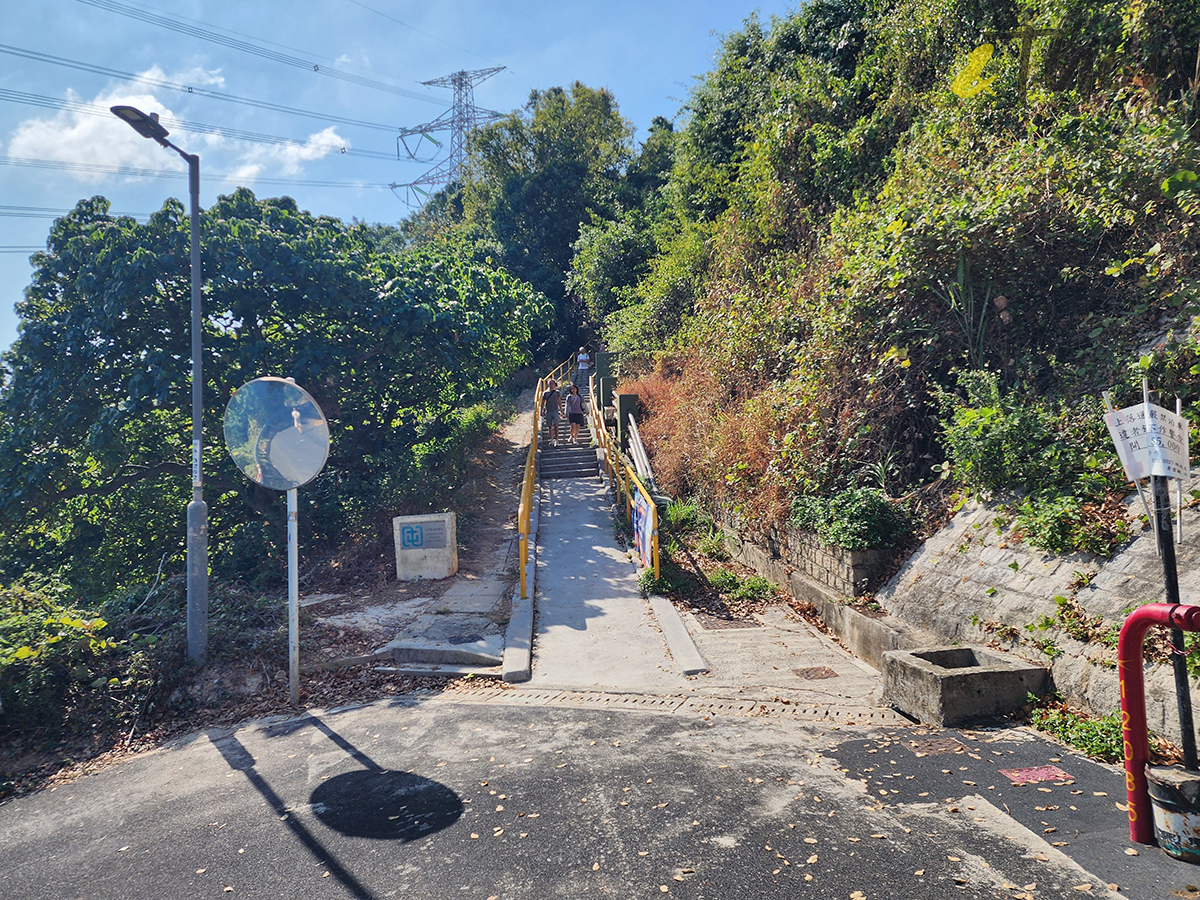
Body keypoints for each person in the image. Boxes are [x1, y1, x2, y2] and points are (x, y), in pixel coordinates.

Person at [542, 378, 562, 446]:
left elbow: (559, 401)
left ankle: (556, 439)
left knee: (556, 425)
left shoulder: (557, 392)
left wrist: (561, 410)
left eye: (553, 383)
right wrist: (542, 410)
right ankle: (551, 439)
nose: (551, 384)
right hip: (548, 411)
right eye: (550, 383)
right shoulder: (545, 393)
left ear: (555, 384)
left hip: (555, 410)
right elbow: (542, 402)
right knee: (549, 426)